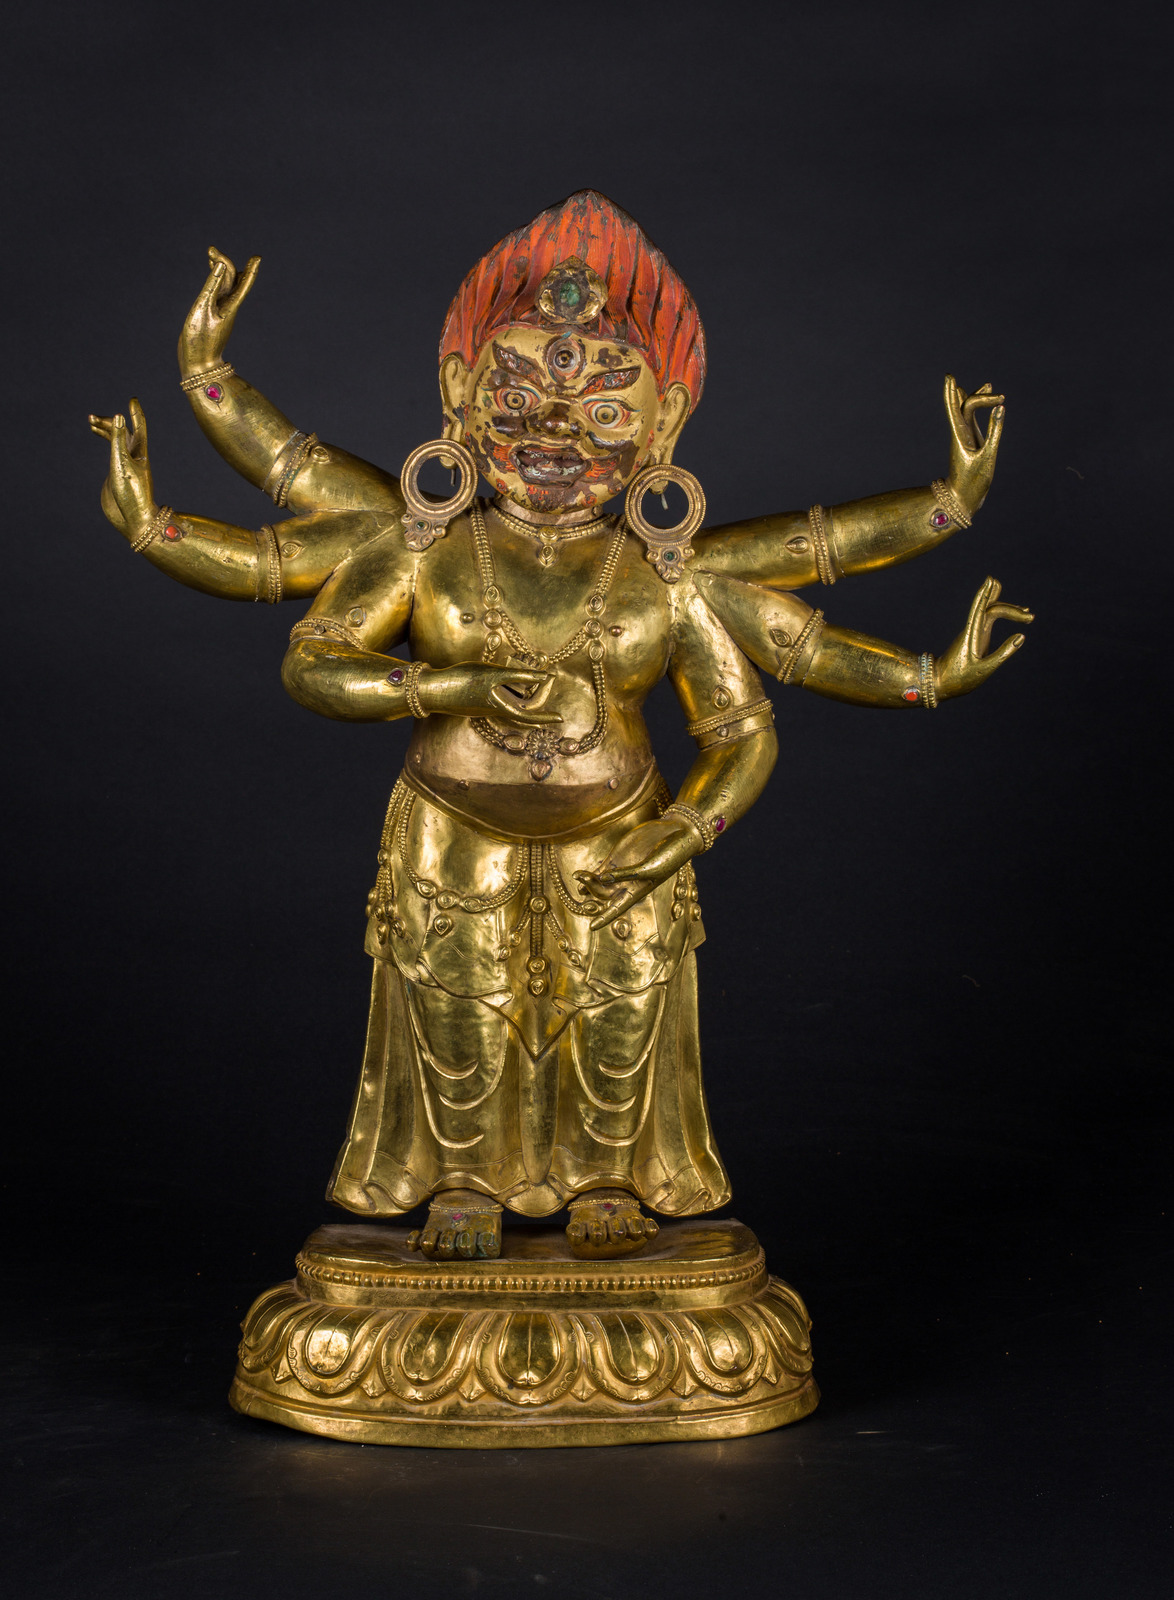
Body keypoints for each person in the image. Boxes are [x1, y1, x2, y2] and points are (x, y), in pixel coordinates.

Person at [91, 191, 1031, 1262]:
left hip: (621, 833)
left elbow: (750, 722)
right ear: (459, 395)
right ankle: (459, 1183)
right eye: (519, 395)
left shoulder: (669, 576)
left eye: (604, 410)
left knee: (617, 1020)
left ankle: (606, 1181)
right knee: (456, 1012)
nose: (555, 432)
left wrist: (695, 826)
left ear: (663, 424)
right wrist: (440, 685)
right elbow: (307, 646)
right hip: (450, 829)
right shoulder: (422, 546)